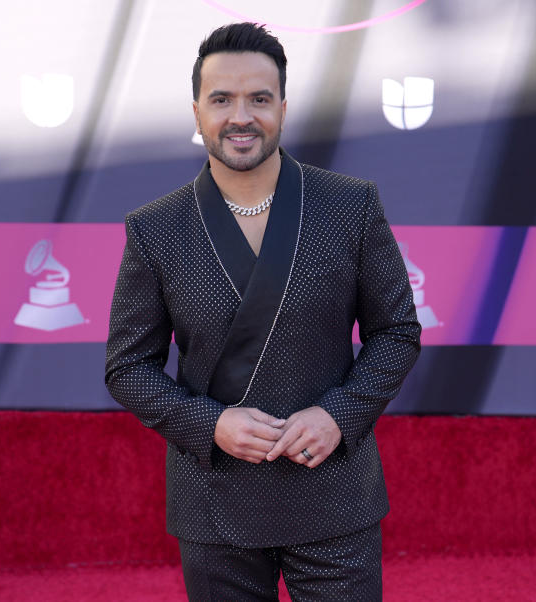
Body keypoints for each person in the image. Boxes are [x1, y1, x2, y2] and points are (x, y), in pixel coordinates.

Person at [105, 22, 421, 601]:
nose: (240, 116)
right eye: (221, 99)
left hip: (334, 495)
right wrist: (209, 424)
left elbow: (396, 332)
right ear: (197, 111)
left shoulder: (350, 206)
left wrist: (339, 415)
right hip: (216, 503)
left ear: (283, 107)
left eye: (259, 98)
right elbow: (127, 368)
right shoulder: (155, 229)